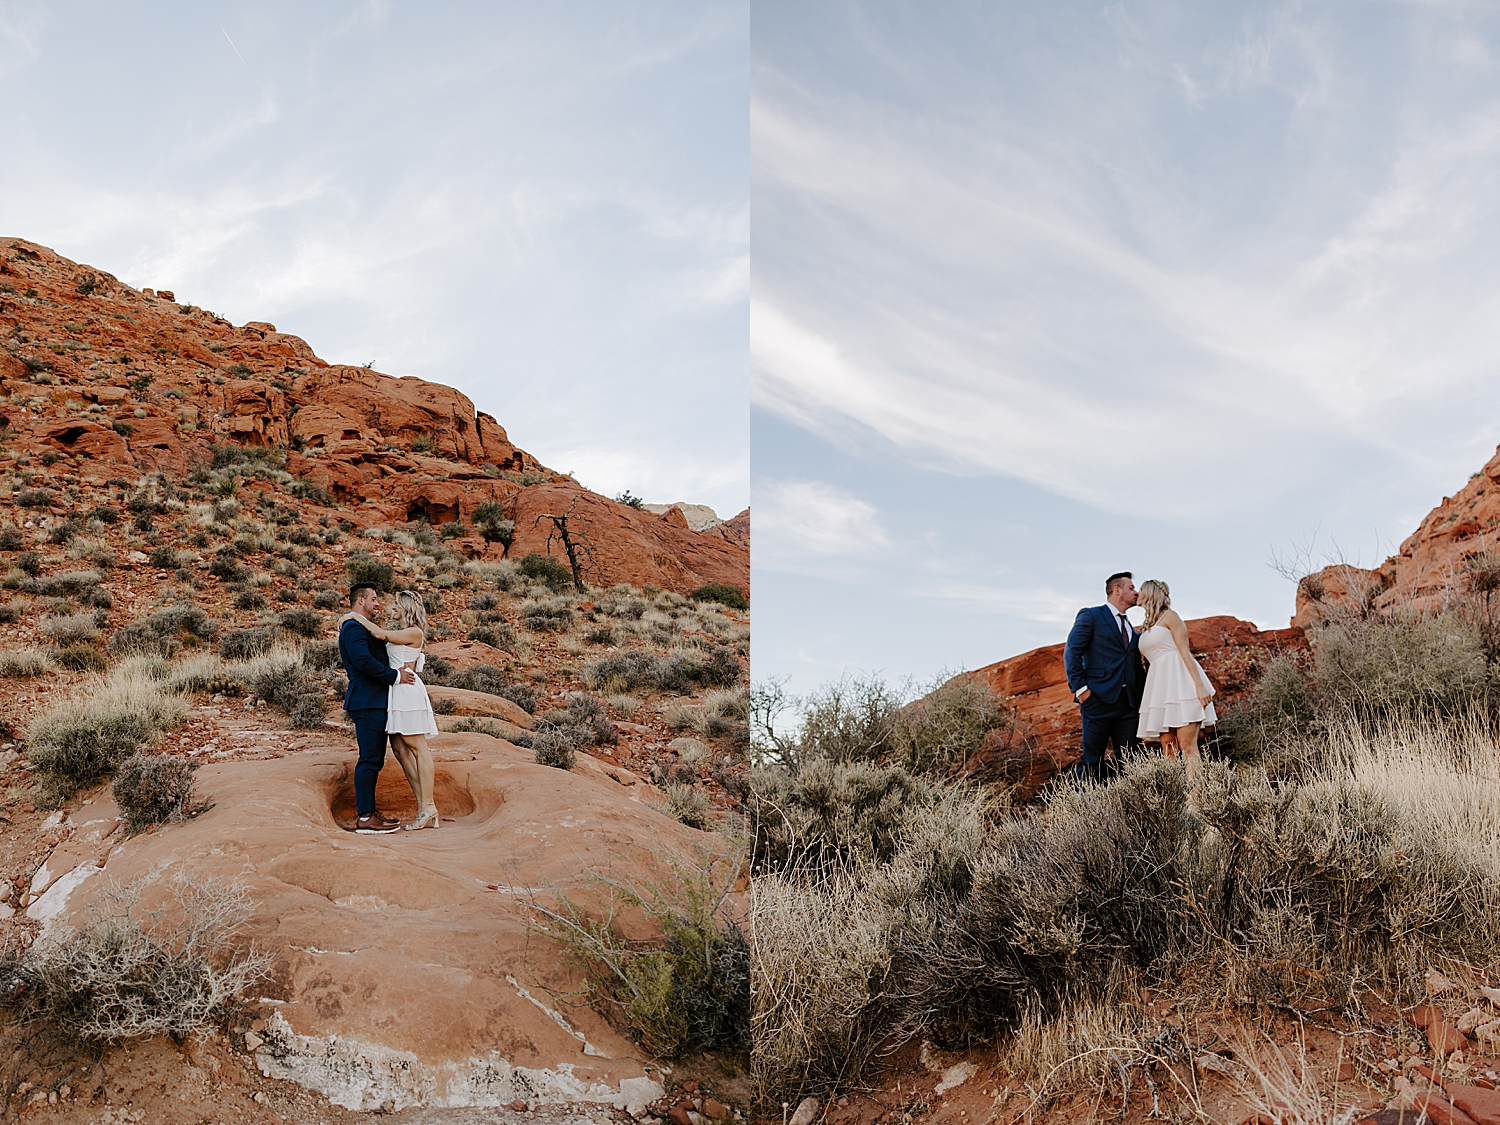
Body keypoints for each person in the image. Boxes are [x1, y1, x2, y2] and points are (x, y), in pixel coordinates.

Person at [341, 591, 443, 831]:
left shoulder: (413, 631)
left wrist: (351, 617)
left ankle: (428, 806)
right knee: (398, 747)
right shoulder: (401, 632)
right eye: (375, 599)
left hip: (405, 689)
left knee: (416, 745)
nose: (388, 606)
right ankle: (424, 807)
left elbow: (379, 634)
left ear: (406, 607)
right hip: (395, 690)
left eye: (396, 603)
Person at [338, 584, 416, 834]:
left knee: (375, 759)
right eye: (373, 599)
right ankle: (365, 818)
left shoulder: (359, 625)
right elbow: (362, 661)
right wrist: (395, 676)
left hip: (375, 701)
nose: (377, 603)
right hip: (367, 701)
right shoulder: (352, 628)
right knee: (370, 758)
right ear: (360, 601)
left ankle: (369, 812)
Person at [1064, 572, 1146, 781]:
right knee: (1092, 761)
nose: (1136, 592)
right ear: (1117, 590)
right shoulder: (1091, 615)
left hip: (1128, 706)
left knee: (1129, 761)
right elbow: (1072, 651)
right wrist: (1081, 690)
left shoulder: (1133, 630)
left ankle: (1128, 810)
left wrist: (1143, 700)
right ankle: (1082, 810)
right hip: (1097, 701)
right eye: (1131, 588)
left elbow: (1136, 668)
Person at [1134, 579, 1216, 779]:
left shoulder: (1171, 617)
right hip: (1160, 686)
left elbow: (1185, 652)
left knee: (1187, 745)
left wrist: (1199, 687)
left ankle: (1195, 800)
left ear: (1150, 593)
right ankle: (1175, 801)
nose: (1136, 593)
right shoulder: (1147, 625)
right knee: (1167, 747)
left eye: (1140, 590)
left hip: (1181, 682)